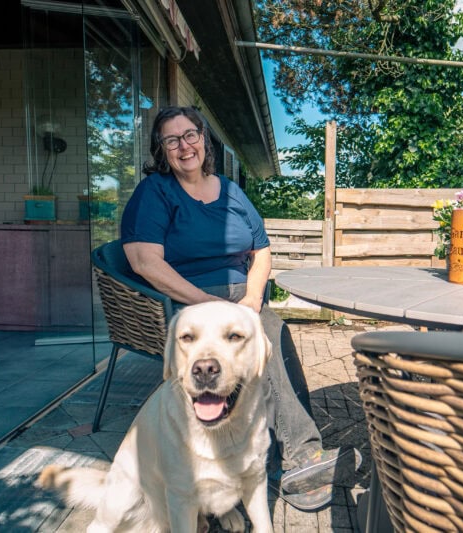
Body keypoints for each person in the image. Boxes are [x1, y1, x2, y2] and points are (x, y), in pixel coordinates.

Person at [120, 105, 361, 511]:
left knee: (271, 329)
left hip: (239, 296)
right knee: (251, 336)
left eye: (191, 134)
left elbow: (261, 249)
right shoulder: (156, 193)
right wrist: (210, 303)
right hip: (189, 303)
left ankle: (301, 455)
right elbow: (144, 261)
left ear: (204, 139)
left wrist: (251, 299)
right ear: (161, 150)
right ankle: (278, 460)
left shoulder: (229, 190)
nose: (184, 146)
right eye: (172, 140)